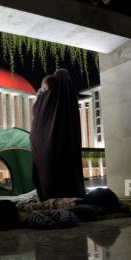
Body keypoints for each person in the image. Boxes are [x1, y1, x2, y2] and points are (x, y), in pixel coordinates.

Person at [30, 69, 86, 201]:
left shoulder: (47, 97)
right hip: (68, 144)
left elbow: (37, 112)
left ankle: (50, 194)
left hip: (48, 145)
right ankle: (72, 193)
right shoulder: (70, 96)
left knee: (50, 168)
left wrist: (40, 95)